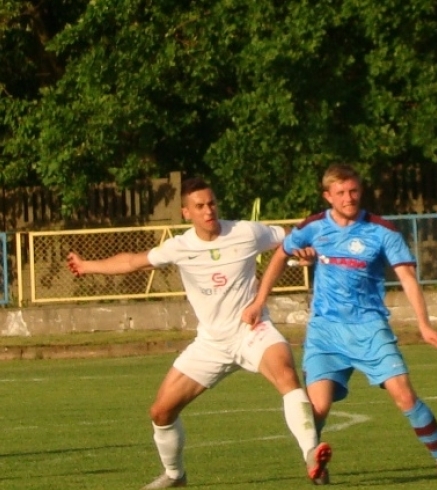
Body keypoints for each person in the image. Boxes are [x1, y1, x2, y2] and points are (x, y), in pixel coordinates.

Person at [66, 177, 331, 489]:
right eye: (200, 206)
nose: (209, 211)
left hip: (251, 330)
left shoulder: (245, 232)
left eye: (212, 203)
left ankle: (311, 453)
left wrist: (303, 248)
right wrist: (87, 266)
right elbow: (132, 262)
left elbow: (289, 238)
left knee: (286, 374)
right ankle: (175, 475)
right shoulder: (180, 246)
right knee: (161, 411)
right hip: (211, 343)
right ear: (186, 213)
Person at [243, 163, 437, 484]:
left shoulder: (382, 231)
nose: (349, 198)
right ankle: (315, 465)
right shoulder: (313, 227)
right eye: (342, 193)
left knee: (404, 396)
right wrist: (260, 300)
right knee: (316, 408)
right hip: (325, 332)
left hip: (370, 328)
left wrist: (424, 325)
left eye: (354, 191)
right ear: (328, 196)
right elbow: (280, 254)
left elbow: (408, 278)